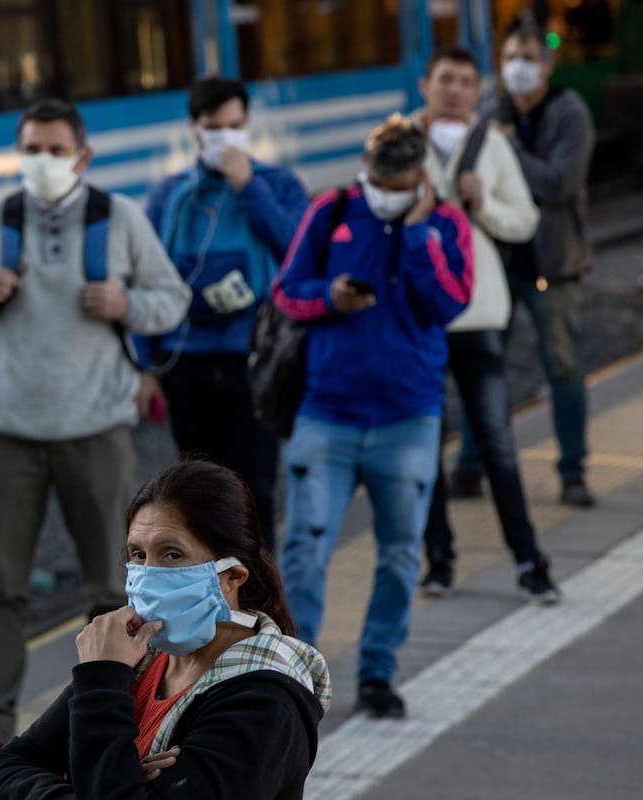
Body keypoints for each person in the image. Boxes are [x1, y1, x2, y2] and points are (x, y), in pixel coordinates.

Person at [0, 98, 191, 765]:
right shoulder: (0, 217)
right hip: (6, 428)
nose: (40, 162)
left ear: (83, 156)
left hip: (96, 426)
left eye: (53, 149)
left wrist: (127, 303)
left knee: (116, 584)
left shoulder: (119, 218)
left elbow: (173, 298)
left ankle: (125, 716)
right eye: (30, 149)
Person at [273, 115, 473, 719]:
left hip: (408, 418)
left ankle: (378, 670)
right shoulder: (331, 210)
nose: (381, 188)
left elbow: (450, 302)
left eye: (396, 180)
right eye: (376, 177)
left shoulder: (445, 223)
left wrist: (416, 238)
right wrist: (328, 297)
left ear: (419, 179)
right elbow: (286, 291)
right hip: (326, 414)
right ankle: (295, 676)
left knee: (400, 552)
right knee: (304, 549)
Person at [0, 460, 331, 799]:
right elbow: (6, 767)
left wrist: (101, 678)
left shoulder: (263, 702)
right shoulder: (141, 659)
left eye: (172, 555)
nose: (148, 574)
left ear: (231, 578)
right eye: (138, 554)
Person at [410, 47, 559, 603]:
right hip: (419, 315)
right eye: (444, 78)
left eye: (465, 82)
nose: (454, 89)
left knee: (497, 441)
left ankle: (530, 561)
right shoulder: (398, 141)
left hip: (478, 314)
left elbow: (524, 221)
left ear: (477, 91)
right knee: (424, 443)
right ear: (425, 83)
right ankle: (439, 561)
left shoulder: (492, 144)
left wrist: (484, 205)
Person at [139, 76, 309, 552]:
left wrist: (249, 188)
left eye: (236, 126)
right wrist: (145, 365)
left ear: (248, 123)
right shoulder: (172, 196)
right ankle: (211, 608)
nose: (227, 138)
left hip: (253, 359)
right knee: (197, 497)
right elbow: (147, 276)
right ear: (195, 130)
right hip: (186, 363)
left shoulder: (276, 185)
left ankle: (260, 603)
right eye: (215, 128)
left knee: (254, 490)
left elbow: (298, 253)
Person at [452, 12, 597, 508]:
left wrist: (510, 152)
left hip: (554, 266)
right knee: (483, 367)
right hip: (499, 264)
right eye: (511, 58)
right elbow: (468, 175)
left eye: (529, 59)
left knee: (562, 366)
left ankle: (573, 471)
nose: (518, 68)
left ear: (548, 64)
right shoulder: (491, 111)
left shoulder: (569, 112)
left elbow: (560, 184)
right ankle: (470, 467)